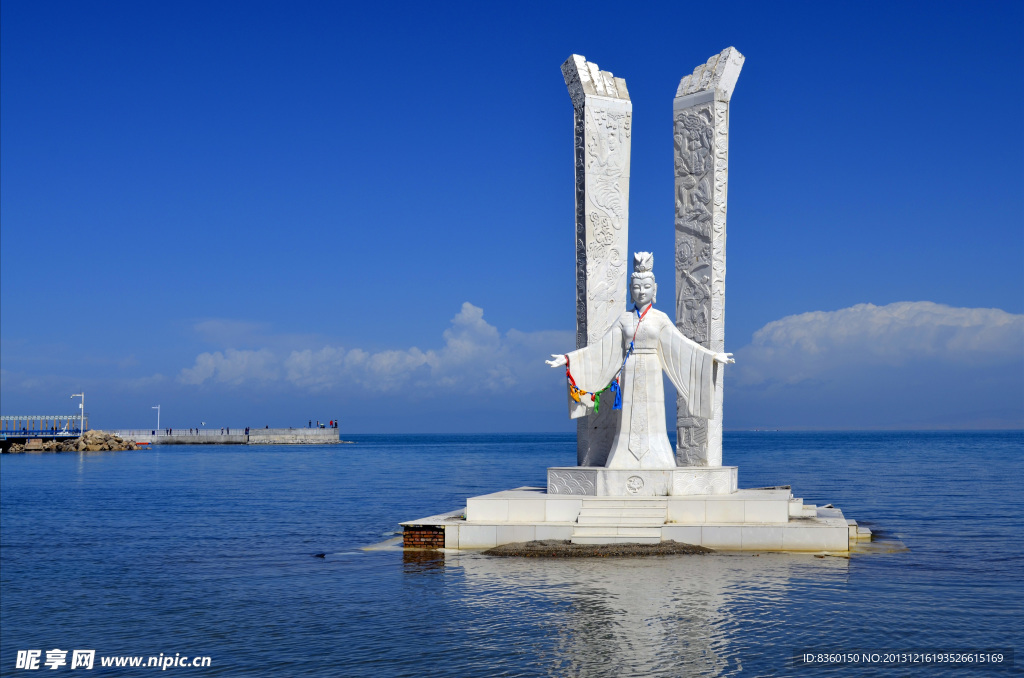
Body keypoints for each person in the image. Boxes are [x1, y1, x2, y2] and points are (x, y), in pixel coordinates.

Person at [547, 252, 734, 469]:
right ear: (630, 290)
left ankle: (658, 455)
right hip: (629, 369)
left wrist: (710, 356)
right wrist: (570, 359)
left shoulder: (660, 319)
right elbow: (602, 349)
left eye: (646, 286)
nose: (641, 291)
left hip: (653, 369)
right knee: (627, 417)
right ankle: (623, 455)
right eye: (636, 286)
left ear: (655, 289)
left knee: (653, 415)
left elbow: (681, 345)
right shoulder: (624, 319)